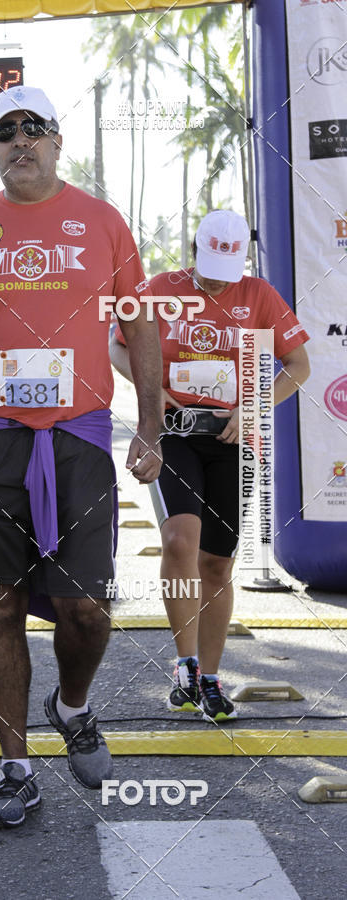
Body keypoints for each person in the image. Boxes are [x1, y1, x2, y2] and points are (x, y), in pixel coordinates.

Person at [0, 86, 162, 827]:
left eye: (34, 129)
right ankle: (15, 769)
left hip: (79, 437)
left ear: (57, 141)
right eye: (5, 132)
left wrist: (149, 426)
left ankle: (73, 705)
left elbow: (141, 326)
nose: (20, 141)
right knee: (1, 605)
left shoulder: (104, 223)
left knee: (87, 609)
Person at [110, 209, 310, 722]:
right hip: (176, 434)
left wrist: (254, 406)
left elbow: (299, 366)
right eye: (212, 263)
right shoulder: (159, 288)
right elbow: (116, 344)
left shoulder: (259, 294)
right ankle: (187, 663)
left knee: (217, 563)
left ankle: (214, 679)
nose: (221, 277)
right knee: (180, 540)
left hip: (231, 439)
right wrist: (153, 395)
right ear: (194, 250)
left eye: (231, 265)